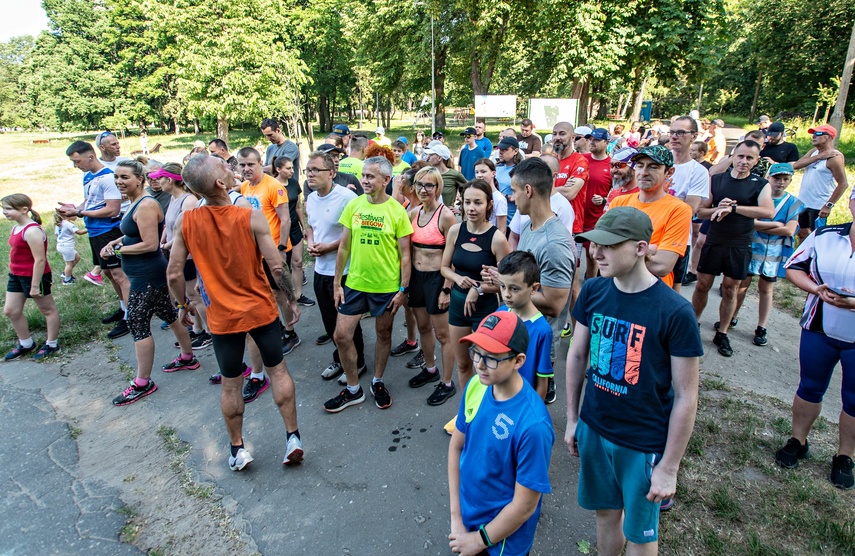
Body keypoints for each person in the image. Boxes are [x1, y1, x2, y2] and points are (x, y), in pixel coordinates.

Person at [565, 207, 702, 554]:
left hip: (641, 440)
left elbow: (686, 395)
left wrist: (669, 467)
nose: (597, 253)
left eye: (609, 246)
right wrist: (572, 419)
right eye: (595, 244)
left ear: (641, 248)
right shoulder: (594, 290)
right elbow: (578, 356)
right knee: (605, 515)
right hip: (595, 428)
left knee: (640, 532)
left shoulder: (674, 311)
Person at [170, 154, 303, 470]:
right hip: (260, 310)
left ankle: (238, 449)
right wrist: (291, 299)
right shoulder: (250, 216)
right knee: (279, 372)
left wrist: (182, 305)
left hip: (222, 317)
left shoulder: (186, 222)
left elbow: (175, 273)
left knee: (231, 383)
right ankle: (293, 438)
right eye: (225, 168)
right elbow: (276, 265)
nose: (232, 171)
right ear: (219, 182)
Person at [448, 311, 554, 556]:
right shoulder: (477, 385)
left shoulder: (533, 425)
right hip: (467, 520)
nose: (480, 365)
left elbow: (525, 505)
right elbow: (456, 447)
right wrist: (457, 517)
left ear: (518, 361)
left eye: (492, 358)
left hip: (502, 543)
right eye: (476, 353)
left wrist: (478, 541)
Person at [102, 161, 199, 406]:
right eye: (116, 177)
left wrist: (120, 251)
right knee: (168, 313)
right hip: (143, 273)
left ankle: (142, 383)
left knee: (137, 322)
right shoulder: (136, 201)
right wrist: (117, 241)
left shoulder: (146, 204)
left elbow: (149, 243)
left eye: (124, 177)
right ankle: (188, 357)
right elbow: (135, 233)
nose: (119, 181)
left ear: (139, 179)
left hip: (145, 274)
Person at [323, 157, 414, 413]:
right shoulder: (355, 206)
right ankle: (353, 389)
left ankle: (377, 381)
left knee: (383, 334)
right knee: (341, 335)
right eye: (363, 175)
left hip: (386, 286)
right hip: (355, 283)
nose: (364, 180)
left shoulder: (397, 211)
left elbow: (406, 255)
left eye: (371, 176)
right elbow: (344, 247)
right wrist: (336, 283)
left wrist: (403, 289)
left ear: (386, 180)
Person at [776, 196, 855, 490]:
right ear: (851, 203)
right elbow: (794, 267)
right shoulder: (824, 235)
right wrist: (815, 290)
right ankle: (798, 439)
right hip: (819, 327)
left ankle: (845, 456)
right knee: (809, 386)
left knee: (854, 399)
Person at [692, 140, 774, 357]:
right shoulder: (717, 180)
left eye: (749, 158)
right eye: (740, 156)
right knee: (702, 285)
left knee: (731, 288)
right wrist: (718, 208)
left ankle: (723, 332)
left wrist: (735, 208)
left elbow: (768, 212)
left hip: (739, 243)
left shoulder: (760, 184)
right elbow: (700, 211)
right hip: (715, 240)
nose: (743, 161)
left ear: (756, 160)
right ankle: (693, 324)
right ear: (732, 156)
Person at [504, 157, 574, 405]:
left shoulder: (554, 243)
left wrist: (506, 290)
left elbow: (554, 304)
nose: (511, 197)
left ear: (528, 190)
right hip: (523, 334)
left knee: (529, 405)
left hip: (538, 346)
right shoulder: (530, 225)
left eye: (513, 190)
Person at [441, 180, 510, 420]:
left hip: (485, 309)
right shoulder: (455, 231)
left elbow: (506, 282)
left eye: (478, 203)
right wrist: (458, 279)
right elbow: (444, 267)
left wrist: (479, 288)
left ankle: (487, 414)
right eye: (467, 202)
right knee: (462, 365)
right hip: (458, 306)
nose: (471, 208)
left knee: (487, 367)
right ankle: (467, 412)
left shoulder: (497, 238)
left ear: (489, 205)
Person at [304, 151, 367, 381]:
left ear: (331, 173)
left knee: (347, 323)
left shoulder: (347, 199)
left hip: (345, 272)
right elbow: (311, 227)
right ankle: (341, 358)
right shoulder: (311, 198)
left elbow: (355, 235)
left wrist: (329, 247)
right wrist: (311, 243)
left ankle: (358, 362)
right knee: (329, 320)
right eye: (308, 170)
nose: (310, 174)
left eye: (315, 170)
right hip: (320, 270)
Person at [59, 141, 131, 340]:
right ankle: (123, 307)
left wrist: (80, 212)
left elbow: (112, 209)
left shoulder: (108, 177)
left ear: (90, 156)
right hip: (94, 231)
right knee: (108, 272)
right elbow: (91, 201)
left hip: (108, 231)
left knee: (119, 273)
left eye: (77, 161)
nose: (76, 166)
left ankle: (130, 317)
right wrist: (73, 208)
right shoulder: (88, 176)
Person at [729, 163, 804, 347]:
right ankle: (732, 316)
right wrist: (776, 225)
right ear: (769, 178)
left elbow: (789, 231)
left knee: (766, 289)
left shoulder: (793, 203)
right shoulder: (758, 198)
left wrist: (767, 226)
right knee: (742, 285)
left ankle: (761, 326)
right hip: (753, 249)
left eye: (785, 179)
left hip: (774, 254)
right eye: (777, 178)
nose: (780, 183)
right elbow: (749, 223)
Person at [238, 147, 302, 359]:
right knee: (264, 293)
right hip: (255, 251)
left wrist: (282, 248)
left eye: (250, 164)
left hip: (275, 249)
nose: (246, 169)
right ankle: (277, 328)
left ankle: (290, 332)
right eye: (242, 165)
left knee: (280, 293)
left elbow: (285, 219)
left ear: (260, 164)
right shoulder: (245, 187)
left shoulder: (274, 186)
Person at [405, 167, 459, 406]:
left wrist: (447, 288)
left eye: (429, 185)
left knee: (443, 335)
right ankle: (430, 369)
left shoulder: (446, 216)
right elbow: (405, 251)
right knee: (424, 328)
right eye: (419, 184)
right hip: (417, 279)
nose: (423, 189)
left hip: (438, 280)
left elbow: (454, 256)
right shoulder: (413, 213)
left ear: (438, 188)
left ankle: (447, 383)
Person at [609, 146, 693, 288]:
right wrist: (649, 249)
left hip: (652, 291)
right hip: (615, 287)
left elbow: (662, 266)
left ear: (669, 172)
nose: (644, 172)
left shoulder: (679, 210)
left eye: (653, 167)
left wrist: (619, 247)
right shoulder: (619, 202)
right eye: (640, 166)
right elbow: (598, 250)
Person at [154, 163, 212, 350]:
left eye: (160, 178)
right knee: (188, 294)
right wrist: (163, 240)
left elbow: (186, 231)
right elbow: (169, 226)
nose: (157, 181)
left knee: (195, 295)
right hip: (175, 252)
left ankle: (210, 332)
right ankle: (197, 329)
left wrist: (166, 246)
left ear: (170, 180)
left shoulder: (188, 201)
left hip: (188, 256)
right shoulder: (172, 198)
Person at [3, 194, 61, 361]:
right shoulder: (16, 228)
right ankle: (26, 343)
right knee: (11, 310)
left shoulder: (33, 231)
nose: (5, 212)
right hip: (16, 275)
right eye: (4, 209)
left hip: (34, 277)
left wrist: (35, 285)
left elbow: (40, 259)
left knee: (47, 310)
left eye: (8, 209)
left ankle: (52, 343)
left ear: (24, 209)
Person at [496, 251, 553, 400]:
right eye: (502, 286)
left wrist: (534, 414)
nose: (506, 294)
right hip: (497, 394)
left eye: (514, 289)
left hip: (522, 402)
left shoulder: (542, 330)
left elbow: (542, 381)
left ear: (534, 289)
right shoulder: (500, 312)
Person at [667, 115, 711, 292]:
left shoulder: (698, 171)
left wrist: (658, 197)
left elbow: (690, 208)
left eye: (680, 132)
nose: (674, 136)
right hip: (649, 232)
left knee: (673, 287)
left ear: (693, 136)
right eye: (672, 132)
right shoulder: (658, 162)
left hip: (677, 238)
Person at [792, 124, 849, 242]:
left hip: (819, 205)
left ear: (829, 137)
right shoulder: (814, 152)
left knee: (817, 237)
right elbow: (796, 165)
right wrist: (819, 156)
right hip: (803, 201)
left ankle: (816, 259)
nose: (813, 136)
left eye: (818, 134)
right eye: (813, 134)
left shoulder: (834, 157)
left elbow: (843, 184)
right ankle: (804, 259)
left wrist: (828, 205)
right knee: (801, 233)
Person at [274, 156, 315, 308]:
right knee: (283, 266)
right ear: (278, 169)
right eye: (288, 168)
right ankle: (286, 296)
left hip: (295, 228)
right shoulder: (272, 185)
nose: (292, 170)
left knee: (297, 262)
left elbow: (298, 206)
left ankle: (298, 295)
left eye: (292, 167)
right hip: (280, 231)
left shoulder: (293, 183)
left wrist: (304, 227)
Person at [581, 128, 613, 279]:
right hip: (578, 215)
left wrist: (605, 200)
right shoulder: (582, 159)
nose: (591, 142)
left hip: (596, 218)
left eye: (596, 140)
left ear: (606, 143)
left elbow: (617, 192)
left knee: (592, 256)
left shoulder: (612, 164)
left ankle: (591, 285)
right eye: (590, 139)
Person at [473, 158, 508, 236]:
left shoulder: (499, 199)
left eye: (483, 171)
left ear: (493, 173)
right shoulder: (475, 195)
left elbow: (502, 231)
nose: (479, 175)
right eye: (477, 172)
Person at [426, 143, 466, 208]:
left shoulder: (454, 175)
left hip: (447, 215)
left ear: (439, 158)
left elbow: (469, 190)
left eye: (431, 155)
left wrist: (461, 209)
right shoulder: (428, 174)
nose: (428, 158)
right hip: (430, 214)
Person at [261, 118, 301, 182]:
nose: (268, 138)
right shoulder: (270, 148)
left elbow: (281, 167)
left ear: (278, 130)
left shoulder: (291, 147)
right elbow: (266, 169)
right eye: (266, 136)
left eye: (270, 135)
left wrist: (259, 169)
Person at [495, 136, 522, 222]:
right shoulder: (497, 168)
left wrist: (503, 196)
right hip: (495, 217)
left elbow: (521, 197)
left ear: (515, 151)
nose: (500, 152)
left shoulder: (520, 170)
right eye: (500, 149)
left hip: (511, 219)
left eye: (505, 150)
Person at [54, 211, 86, 285]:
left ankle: (66, 273)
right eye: (74, 213)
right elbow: (79, 232)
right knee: (69, 264)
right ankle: (67, 280)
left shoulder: (59, 223)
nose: (76, 215)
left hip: (60, 245)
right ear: (68, 215)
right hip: (67, 247)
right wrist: (90, 229)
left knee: (77, 258)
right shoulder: (68, 224)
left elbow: (56, 234)